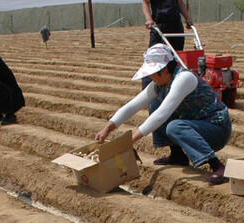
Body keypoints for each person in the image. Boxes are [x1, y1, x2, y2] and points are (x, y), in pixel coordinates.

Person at [95, 43, 229, 185]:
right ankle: (177, 155)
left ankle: (217, 166)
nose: (150, 77)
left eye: (153, 72)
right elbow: (133, 106)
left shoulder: (184, 78)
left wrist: (129, 141)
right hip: (197, 125)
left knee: (175, 126)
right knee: (155, 104)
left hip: (217, 128)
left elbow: (161, 115)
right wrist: (107, 128)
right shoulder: (159, 85)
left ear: (164, 69)